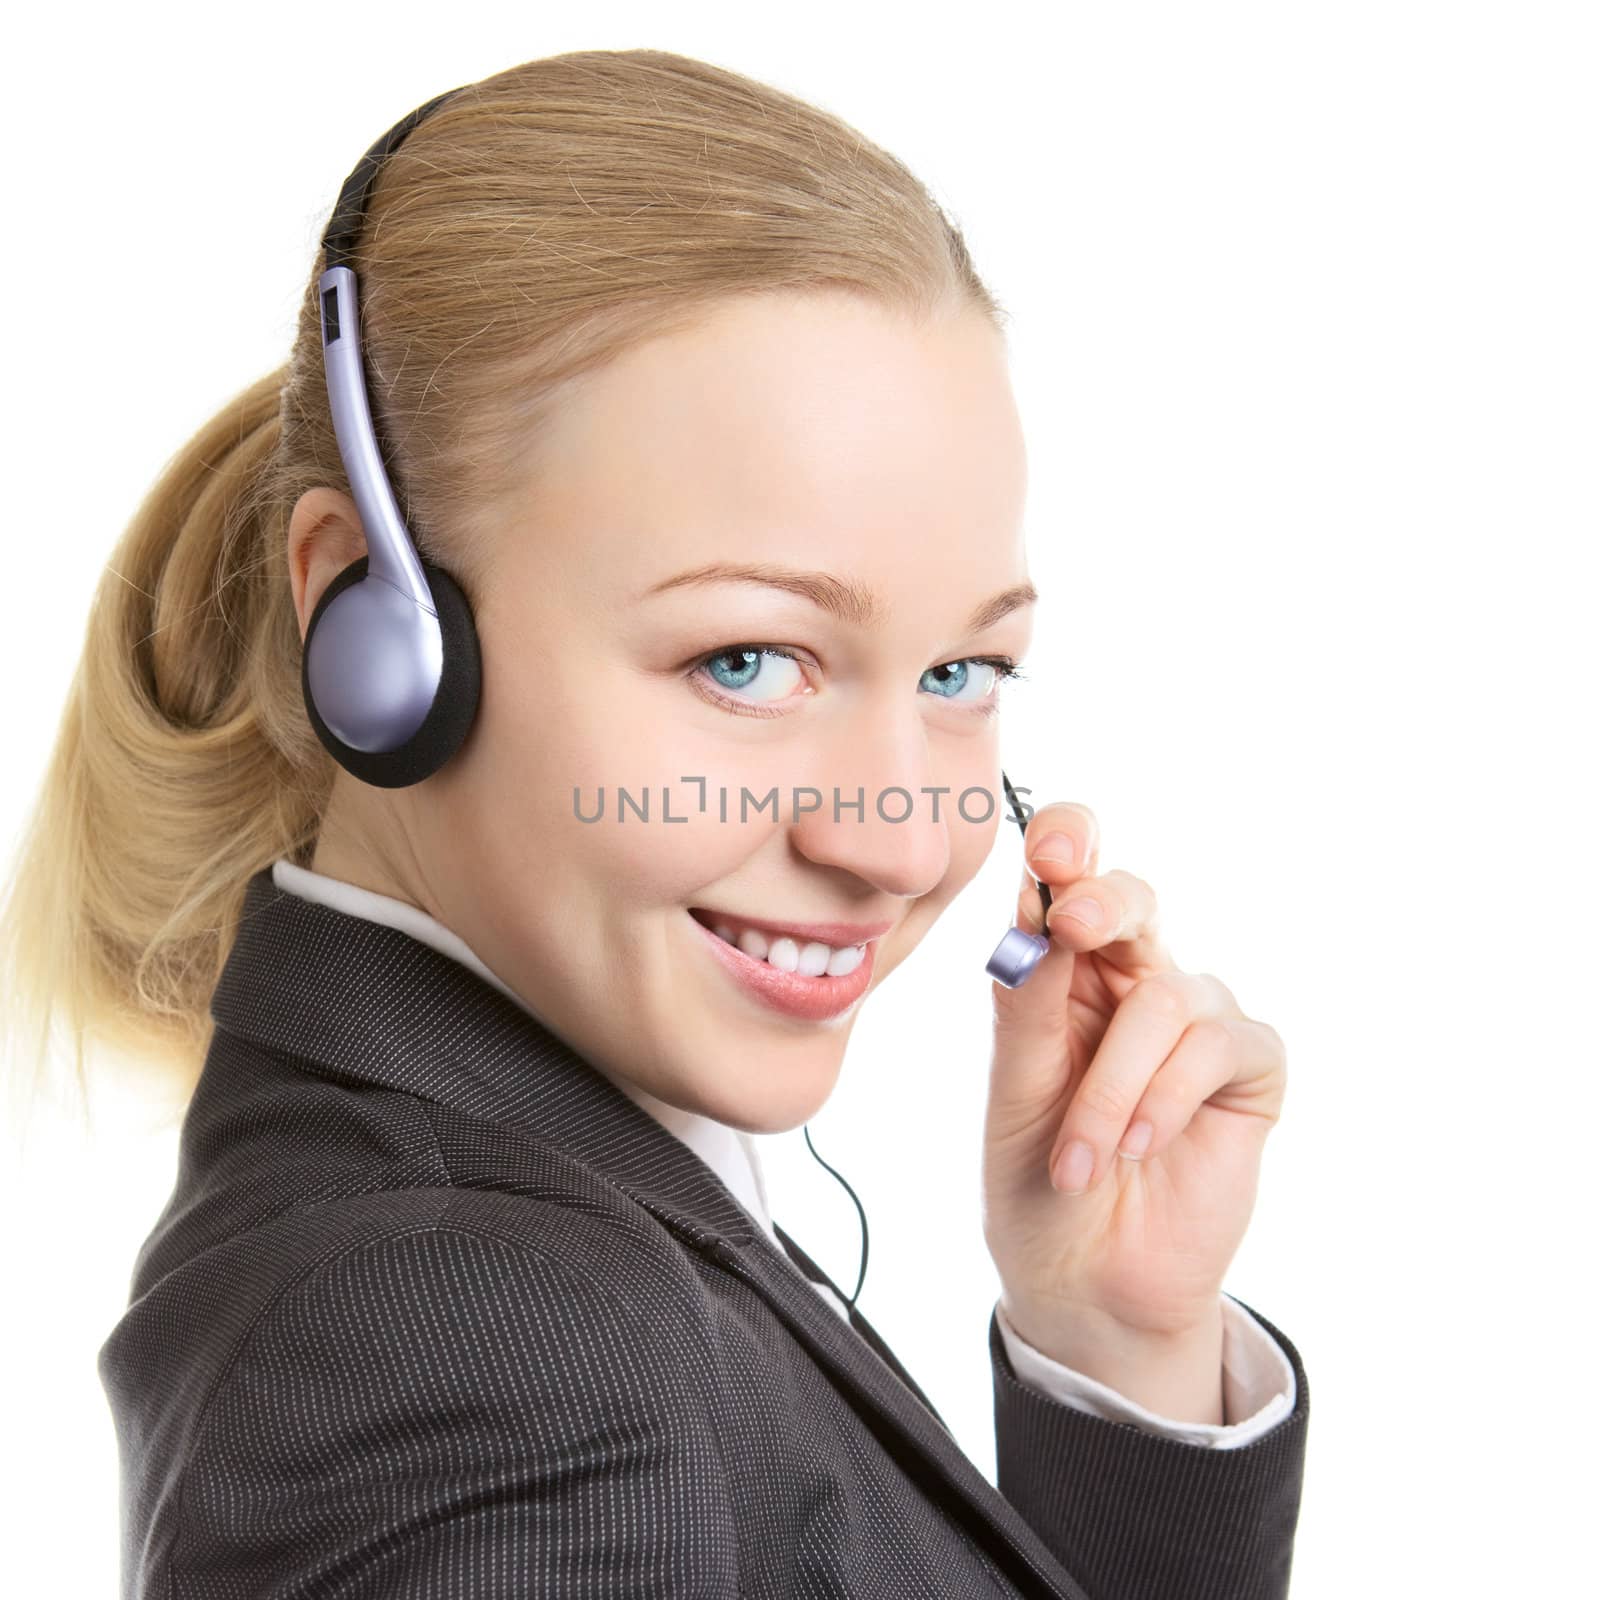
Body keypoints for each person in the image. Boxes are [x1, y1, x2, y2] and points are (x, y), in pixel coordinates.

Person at [1, 47, 1307, 1599]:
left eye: (964, 668)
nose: (901, 845)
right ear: (371, 625)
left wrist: (1115, 1342)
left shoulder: (546, 1220)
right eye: (745, 660)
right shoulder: (476, 1351)